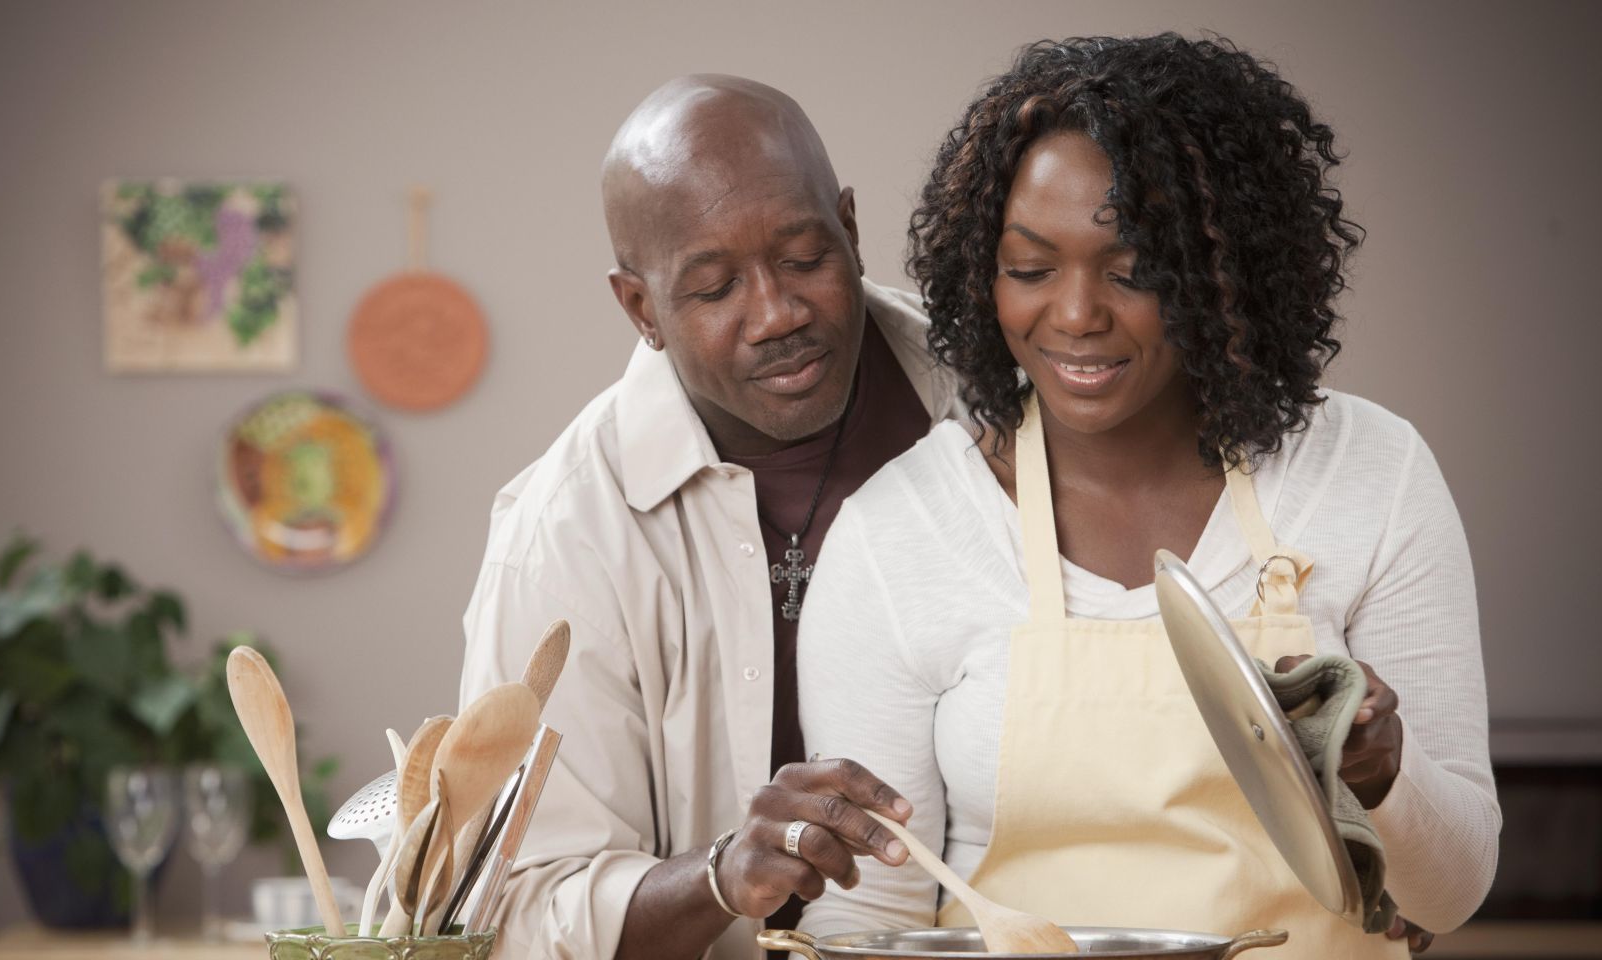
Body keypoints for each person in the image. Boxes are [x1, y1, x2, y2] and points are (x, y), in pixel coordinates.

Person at [796, 35, 1498, 958]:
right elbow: (865, 913)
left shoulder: (1370, 471)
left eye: (1133, 271)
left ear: (1222, 272)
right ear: (982, 273)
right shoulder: (901, 532)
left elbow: (1449, 895)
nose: (1078, 314)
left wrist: (1381, 777)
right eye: (1031, 268)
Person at [458, 74, 960, 959]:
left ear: (850, 225)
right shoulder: (564, 537)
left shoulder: (996, 407)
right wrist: (725, 875)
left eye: (805, 258)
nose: (777, 314)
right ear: (640, 307)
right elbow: (514, 910)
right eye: (714, 287)